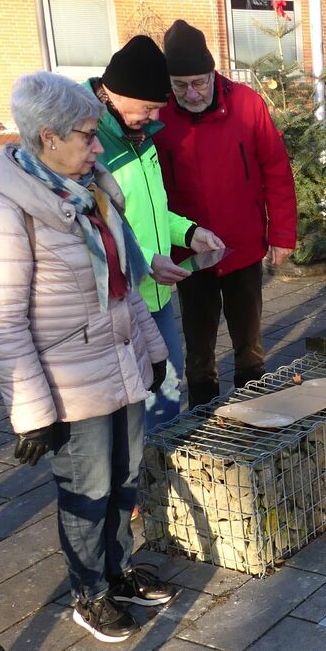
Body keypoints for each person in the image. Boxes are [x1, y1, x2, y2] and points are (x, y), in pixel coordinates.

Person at [0, 72, 178, 644]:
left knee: (125, 477)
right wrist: (31, 415)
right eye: (87, 135)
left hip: (120, 368)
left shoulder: (93, 194)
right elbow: (3, 325)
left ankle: (117, 569)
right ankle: (90, 593)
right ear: (48, 137)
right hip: (68, 387)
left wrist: (153, 353)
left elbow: (123, 284)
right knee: (88, 490)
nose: (98, 145)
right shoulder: (5, 217)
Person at [153, 20, 297, 408]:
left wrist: (282, 234)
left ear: (213, 73)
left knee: (248, 338)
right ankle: (203, 412)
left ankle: (255, 406)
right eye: (180, 85)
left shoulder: (246, 103)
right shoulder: (158, 114)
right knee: (198, 344)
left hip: (243, 243)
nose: (192, 93)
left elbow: (276, 169)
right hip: (188, 251)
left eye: (199, 82)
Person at [85, 34, 225, 431]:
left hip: (157, 294)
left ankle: (162, 469)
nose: (151, 116)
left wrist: (189, 233)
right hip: (121, 301)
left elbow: (153, 207)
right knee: (135, 398)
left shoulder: (139, 135)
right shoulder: (88, 145)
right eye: (147, 107)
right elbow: (92, 230)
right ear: (114, 93)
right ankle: (142, 477)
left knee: (168, 383)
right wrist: (147, 259)